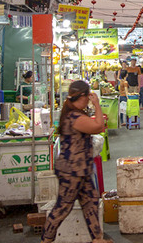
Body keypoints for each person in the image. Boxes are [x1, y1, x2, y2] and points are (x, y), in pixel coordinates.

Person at [42, 80, 106, 243]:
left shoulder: (74, 112)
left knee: (91, 203)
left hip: (81, 170)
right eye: (88, 95)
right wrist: (97, 105)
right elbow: (98, 126)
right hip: (71, 172)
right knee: (62, 208)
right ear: (83, 96)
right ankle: (46, 240)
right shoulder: (74, 116)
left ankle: (98, 239)